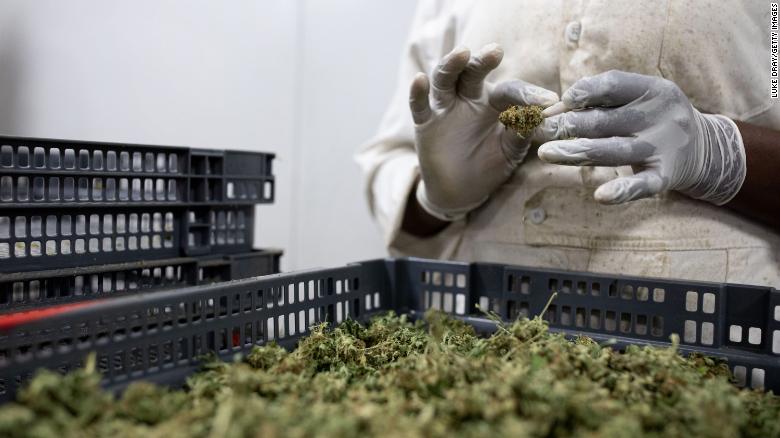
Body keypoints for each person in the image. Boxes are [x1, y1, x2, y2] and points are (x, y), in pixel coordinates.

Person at [356, 0, 780, 287]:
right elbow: (390, 163)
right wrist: (435, 198)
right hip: (491, 337)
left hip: (719, 338)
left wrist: (717, 152)